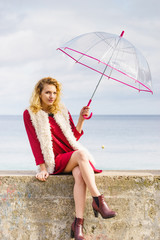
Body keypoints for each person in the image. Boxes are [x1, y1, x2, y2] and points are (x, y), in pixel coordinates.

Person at [23, 77, 116, 240]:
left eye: (54, 93)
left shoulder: (61, 110)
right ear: (39, 93)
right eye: (47, 92)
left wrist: (81, 118)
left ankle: (78, 224)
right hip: (55, 161)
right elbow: (34, 143)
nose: (51, 96)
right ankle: (98, 201)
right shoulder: (31, 114)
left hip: (70, 156)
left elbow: (73, 137)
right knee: (82, 154)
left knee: (80, 174)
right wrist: (42, 169)